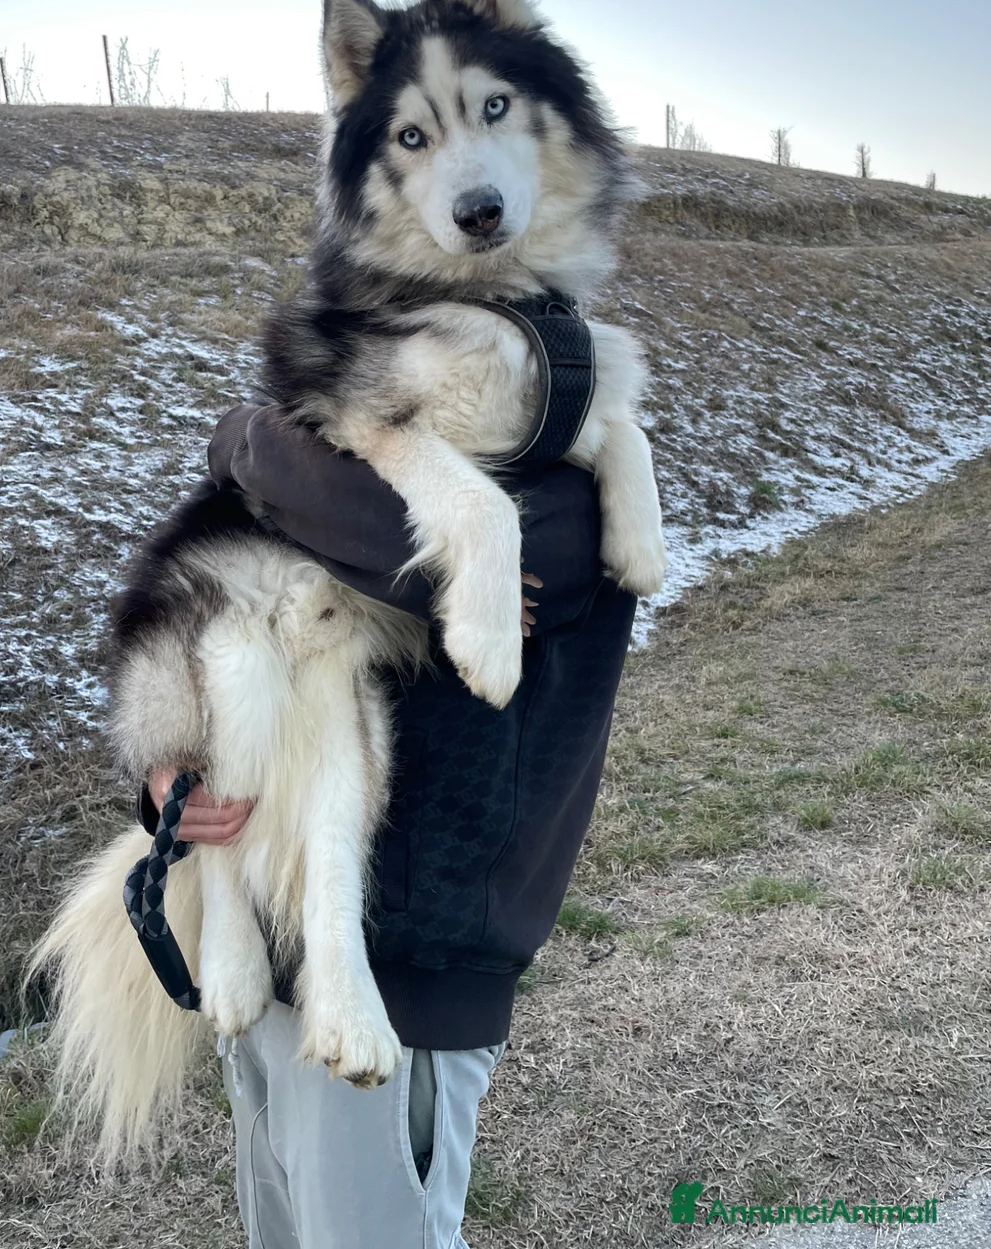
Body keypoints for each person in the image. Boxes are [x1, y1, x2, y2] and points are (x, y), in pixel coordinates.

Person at [139, 403, 638, 1249]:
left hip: (403, 979)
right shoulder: (385, 469)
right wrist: (170, 773)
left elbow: (354, 516)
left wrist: (248, 444)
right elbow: (228, 586)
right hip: (264, 956)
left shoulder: (562, 503)